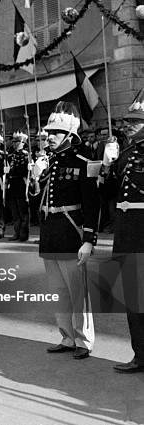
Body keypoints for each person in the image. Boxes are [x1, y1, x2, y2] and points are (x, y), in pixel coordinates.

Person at [32, 101, 99, 359]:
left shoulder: (84, 163)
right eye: (48, 133)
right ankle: (67, 337)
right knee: (58, 291)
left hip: (72, 233)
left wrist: (89, 240)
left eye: (55, 134)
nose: (49, 137)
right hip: (51, 234)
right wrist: (36, 177)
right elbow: (35, 202)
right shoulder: (48, 163)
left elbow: (93, 205)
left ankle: (84, 341)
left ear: (69, 136)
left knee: (77, 292)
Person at [101, 89, 144, 373]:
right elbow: (111, 194)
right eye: (127, 120)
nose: (127, 124)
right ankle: (140, 354)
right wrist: (107, 166)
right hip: (127, 232)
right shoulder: (126, 151)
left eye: (135, 120)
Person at [6, 130, 31, 242]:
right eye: (14, 141)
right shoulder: (11, 155)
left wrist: (29, 167)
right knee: (14, 211)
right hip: (13, 184)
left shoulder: (27, 155)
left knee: (23, 211)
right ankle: (16, 232)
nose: (15, 143)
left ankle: (23, 234)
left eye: (18, 142)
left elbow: (27, 173)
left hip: (22, 184)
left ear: (23, 143)